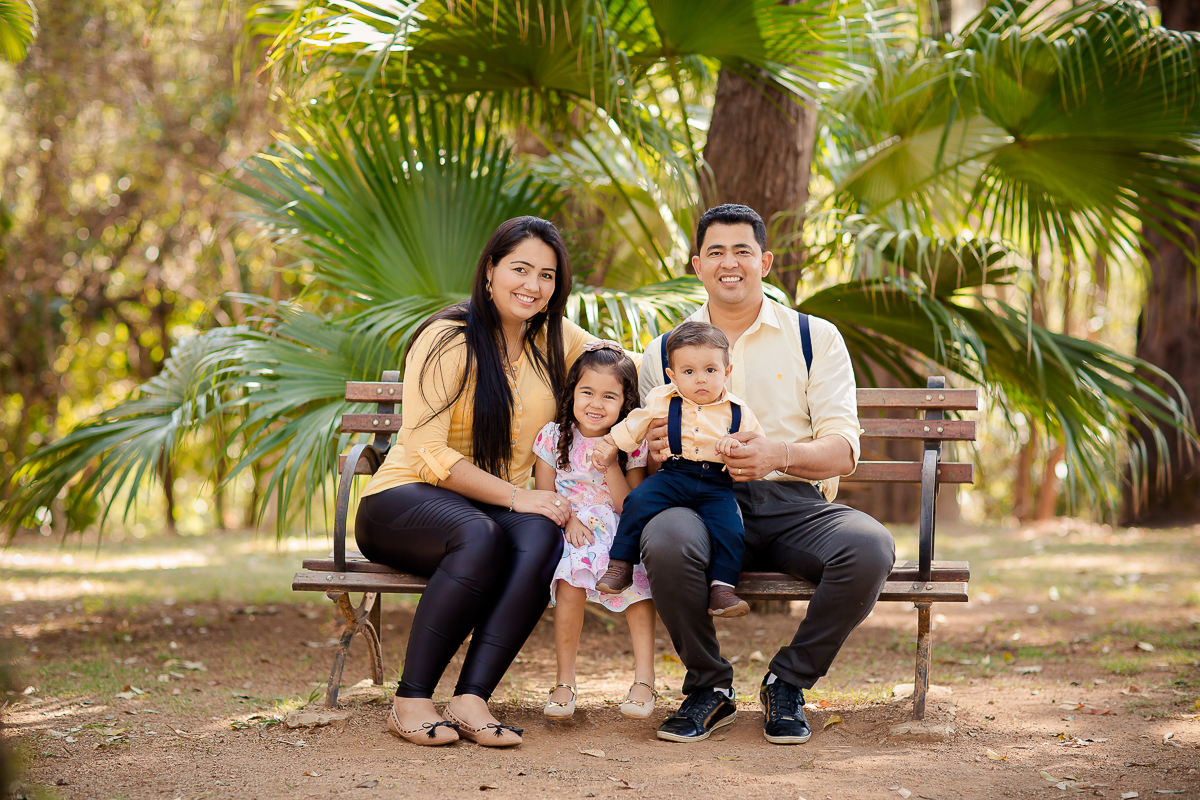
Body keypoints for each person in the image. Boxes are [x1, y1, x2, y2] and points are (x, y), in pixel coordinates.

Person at [637, 204, 895, 746]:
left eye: (742, 251)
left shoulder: (814, 337)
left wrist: (777, 454)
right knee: (663, 538)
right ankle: (709, 687)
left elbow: (844, 449)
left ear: (766, 261)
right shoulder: (661, 351)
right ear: (697, 265)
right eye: (716, 252)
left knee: (869, 546)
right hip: (698, 501)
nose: (730, 263)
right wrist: (658, 450)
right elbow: (646, 450)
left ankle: (788, 681)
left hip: (791, 505)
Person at [354, 216, 596, 748]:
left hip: (493, 512)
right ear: (490, 270)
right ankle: (411, 699)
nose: (533, 286)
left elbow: (623, 367)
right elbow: (427, 454)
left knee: (541, 538)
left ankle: (471, 698)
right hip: (402, 503)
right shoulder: (447, 338)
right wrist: (519, 496)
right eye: (521, 269)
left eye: (548, 276)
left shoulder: (557, 340)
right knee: (482, 536)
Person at [592, 321, 764, 618]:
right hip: (674, 475)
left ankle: (722, 589)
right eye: (688, 372)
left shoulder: (739, 411)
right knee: (638, 501)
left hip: (716, 483)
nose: (700, 379)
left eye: (710, 370)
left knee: (732, 528)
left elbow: (756, 445)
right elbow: (635, 425)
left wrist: (739, 449)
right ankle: (620, 565)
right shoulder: (663, 400)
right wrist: (610, 444)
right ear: (672, 375)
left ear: (727, 371)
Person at [532, 342, 658, 721]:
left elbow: (628, 505)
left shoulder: (631, 444)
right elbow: (543, 493)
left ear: (625, 403)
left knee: (636, 582)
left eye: (609, 396)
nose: (596, 403)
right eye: (587, 392)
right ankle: (564, 681)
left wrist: (610, 464)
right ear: (572, 393)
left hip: (620, 528)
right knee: (570, 583)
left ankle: (644, 679)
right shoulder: (553, 437)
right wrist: (568, 520)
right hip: (571, 527)